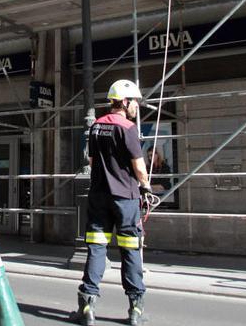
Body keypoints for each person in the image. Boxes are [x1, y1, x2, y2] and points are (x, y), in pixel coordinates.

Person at [76, 79, 151, 326]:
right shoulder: (127, 128)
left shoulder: (96, 126)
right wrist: (147, 186)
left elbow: (93, 161)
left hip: (98, 196)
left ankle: (87, 303)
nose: (137, 106)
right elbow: (138, 166)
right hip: (125, 198)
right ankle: (135, 307)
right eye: (135, 102)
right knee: (130, 248)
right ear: (125, 101)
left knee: (97, 248)